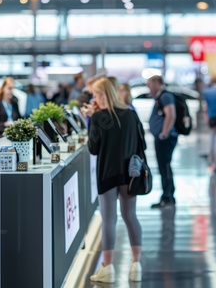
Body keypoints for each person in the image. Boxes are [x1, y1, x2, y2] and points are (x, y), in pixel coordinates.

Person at [83, 78, 144, 283]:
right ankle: (136, 265)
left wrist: (91, 120)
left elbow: (93, 148)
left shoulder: (99, 117)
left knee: (109, 219)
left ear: (101, 95)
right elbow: (140, 143)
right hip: (129, 174)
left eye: (95, 95)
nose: (94, 98)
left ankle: (108, 268)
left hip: (107, 173)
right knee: (130, 216)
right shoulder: (131, 114)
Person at [147, 75, 178, 208]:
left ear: (157, 83)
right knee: (164, 166)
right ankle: (168, 194)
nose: (149, 87)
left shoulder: (165, 96)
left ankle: (167, 196)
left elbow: (171, 115)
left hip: (166, 138)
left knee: (164, 166)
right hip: (163, 137)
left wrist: (164, 133)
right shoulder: (160, 97)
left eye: (150, 84)